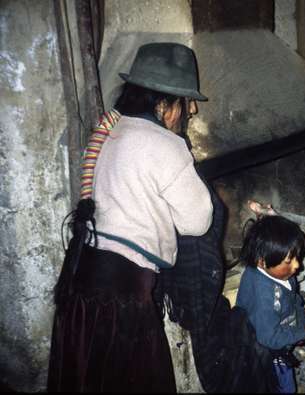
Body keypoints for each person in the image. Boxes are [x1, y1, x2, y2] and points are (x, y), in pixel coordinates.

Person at [48, 42, 213, 392]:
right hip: (122, 297)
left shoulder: (112, 129)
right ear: (164, 103)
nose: (193, 109)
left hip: (83, 282)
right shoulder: (166, 145)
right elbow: (199, 221)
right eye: (187, 101)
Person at [236, 215, 305, 393]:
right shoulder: (265, 297)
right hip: (269, 353)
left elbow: (295, 300)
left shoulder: (281, 274)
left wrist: (300, 329)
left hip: (280, 336)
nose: (297, 266)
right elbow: (269, 338)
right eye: (289, 260)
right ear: (262, 261)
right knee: (283, 387)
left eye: (297, 257)